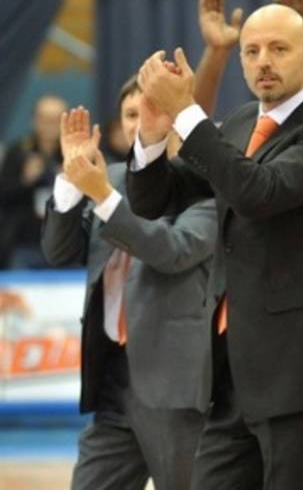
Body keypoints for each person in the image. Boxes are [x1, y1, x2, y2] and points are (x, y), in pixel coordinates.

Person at [127, 2, 303, 489]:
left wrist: (188, 113)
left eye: (279, 49)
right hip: (235, 372)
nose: (264, 61)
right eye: (252, 51)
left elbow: (259, 193)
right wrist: (152, 136)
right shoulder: (240, 123)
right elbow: (156, 200)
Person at [40, 89, 216, 489]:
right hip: (112, 379)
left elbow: (171, 251)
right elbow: (59, 251)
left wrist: (102, 195)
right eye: (131, 115)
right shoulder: (110, 178)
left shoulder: (203, 185)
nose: (140, 125)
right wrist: (71, 179)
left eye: (152, 113)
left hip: (173, 385)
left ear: (176, 121)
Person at [0, 94, 67, 268]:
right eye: (46, 119)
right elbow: (4, 197)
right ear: (35, 120)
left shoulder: (74, 154)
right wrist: (25, 181)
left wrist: (73, 182)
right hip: (24, 242)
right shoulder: (18, 151)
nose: (51, 125)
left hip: (65, 243)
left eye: (56, 120)